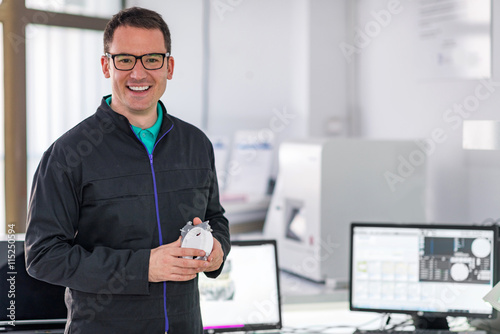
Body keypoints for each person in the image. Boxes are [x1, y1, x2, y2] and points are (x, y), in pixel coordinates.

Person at [24, 6, 230, 334]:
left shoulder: (196, 144)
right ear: (106, 65)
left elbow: (216, 218)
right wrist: (143, 267)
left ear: (169, 66)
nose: (138, 73)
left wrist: (218, 248)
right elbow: (43, 256)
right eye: (125, 59)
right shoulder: (68, 154)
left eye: (151, 59)